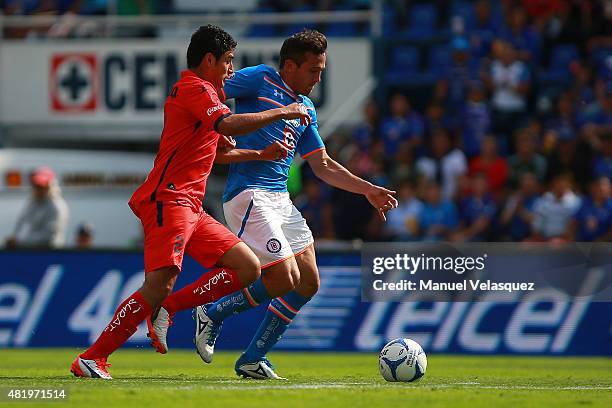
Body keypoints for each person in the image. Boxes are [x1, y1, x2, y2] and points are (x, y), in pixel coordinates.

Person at [148, 29, 398, 380]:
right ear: (290, 66)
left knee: (308, 282)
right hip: (248, 193)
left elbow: (322, 164)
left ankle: (252, 359)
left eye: (322, 70)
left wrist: (366, 188)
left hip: (281, 199)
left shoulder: (305, 108)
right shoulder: (259, 78)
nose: (318, 78)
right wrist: (216, 132)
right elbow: (211, 92)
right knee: (284, 277)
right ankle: (212, 313)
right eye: (313, 70)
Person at [70, 24, 310, 380]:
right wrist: (281, 112)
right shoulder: (193, 88)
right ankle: (93, 357)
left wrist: (260, 153)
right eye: (228, 61)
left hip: (191, 207)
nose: (233, 68)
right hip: (169, 199)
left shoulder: (209, 96)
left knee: (248, 267)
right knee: (158, 284)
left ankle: (172, 308)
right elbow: (227, 124)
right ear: (209, 60)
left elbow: (219, 153)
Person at [5, 167, 69, 249]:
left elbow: (48, 237)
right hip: (31, 251)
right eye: (36, 185)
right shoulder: (32, 202)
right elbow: (21, 222)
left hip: (50, 253)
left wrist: (20, 241)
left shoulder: (57, 207)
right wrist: (15, 237)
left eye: (42, 186)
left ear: (51, 186)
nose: (38, 189)